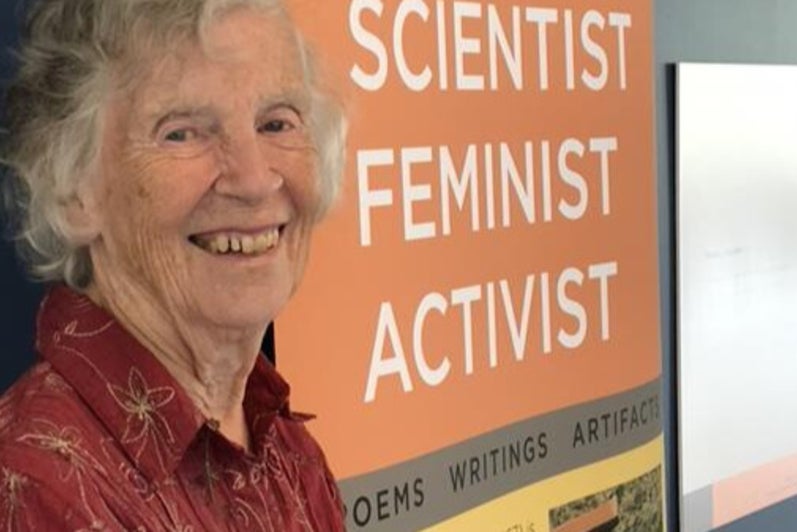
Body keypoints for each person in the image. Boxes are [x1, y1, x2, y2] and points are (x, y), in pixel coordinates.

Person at [0, 0, 347, 529]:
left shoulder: (287, 449)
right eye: (182, 132)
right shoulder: (39, 486)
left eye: (277, 123)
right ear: (74, 187)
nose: (254, 180)